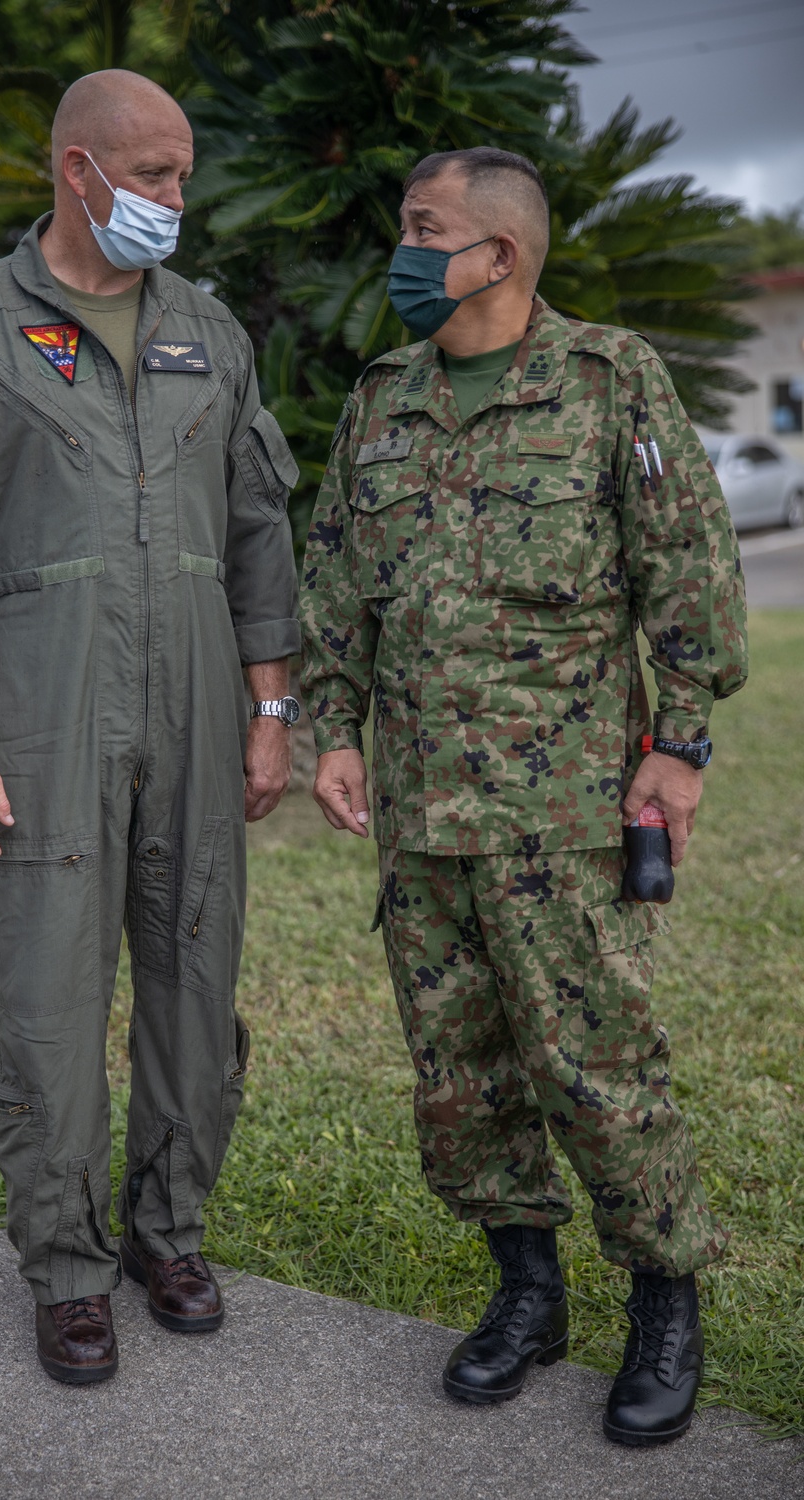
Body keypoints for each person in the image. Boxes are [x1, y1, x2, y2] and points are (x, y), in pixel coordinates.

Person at [299, 146, 747, 1447]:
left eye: (423, 228)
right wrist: (329, 727)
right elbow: (337, 583)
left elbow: (691, 574)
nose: (404, 248)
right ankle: (527, 1294)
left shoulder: (610, 383)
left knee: (598, 1065)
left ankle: (665, 1297)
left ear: (498, 254)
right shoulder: (382, 401)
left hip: (561, 814)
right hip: (422, 811)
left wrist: (681, 747)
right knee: (462, 1077)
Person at [0, 70, 302, 1385]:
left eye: (183, 173)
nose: (179, 197)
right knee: (46, 998)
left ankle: (167, 1234)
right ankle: (66, 1268)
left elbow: (256, 528)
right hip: (37, 716)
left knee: (191, 976)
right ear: (78, 171)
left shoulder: (207, 334)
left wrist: (272, 705)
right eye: (157, 173)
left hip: (192, 702)